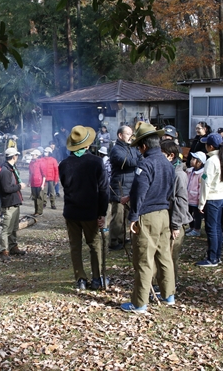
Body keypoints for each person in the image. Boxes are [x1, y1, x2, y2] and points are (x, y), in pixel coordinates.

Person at [120, 123, 175, 313]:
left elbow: (141, 191)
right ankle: (169, 294)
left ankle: (139, 303)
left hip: (147, 216)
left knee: (143, 259)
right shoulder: (168, 163)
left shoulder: (145, 164)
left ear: (144, 146)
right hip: (164, 214)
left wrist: (133, 216)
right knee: (164, 256)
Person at [59, 125, 109, 290]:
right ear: (87, 145)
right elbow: (103, 190)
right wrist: (102, 213)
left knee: (75, 246)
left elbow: (66, 186)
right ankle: (96, 278)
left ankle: (80, 279)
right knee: (94, 245)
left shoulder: (64, 164)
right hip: (90, 212)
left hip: (71, 211)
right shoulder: (96, 162)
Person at [155, 140, 192, 285]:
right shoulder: (166, 170)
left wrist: (176, 225)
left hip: (174, 222)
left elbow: (180, 201)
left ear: (171, 156)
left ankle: (169, 287)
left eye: (162, 154)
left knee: (170, 256)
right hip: (166, 219)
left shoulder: (178, 175)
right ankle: (161, 284)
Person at [196, 133, 223, 267]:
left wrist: (201, 203)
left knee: (211, 229)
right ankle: (217, 255)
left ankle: (212, 258)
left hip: (211, 197)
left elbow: (206, 183)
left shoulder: (211, 161)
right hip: (220, 196)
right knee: (217, 228)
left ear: (210, 146)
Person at [108, 125, 140, 250]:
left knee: (126, 216)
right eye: (128, 134)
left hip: (130, 186)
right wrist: (138, 159)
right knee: (118, 217)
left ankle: (122, 238)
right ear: (120, 135)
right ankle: (113, 242)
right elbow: (125, 162)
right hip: (119, 187)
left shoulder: (132, 148)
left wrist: (137, 158)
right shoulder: (116, 149)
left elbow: (138, 158)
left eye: (131, 134)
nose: (131, 136)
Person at [0, 147, 27, 262]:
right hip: (9, 203)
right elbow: (6, 188)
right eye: (17, 155)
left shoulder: (12, 168)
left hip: (15, 201)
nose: (18, 157)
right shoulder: (5, 171)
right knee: (6, 229)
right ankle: (4, 251)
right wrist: (19, 186)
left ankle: (13, 247)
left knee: (14, 227)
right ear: (14, 156)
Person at [186, 151, 206, 237]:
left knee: (197, 215)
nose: (191, 160)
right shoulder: (189, 171)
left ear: (200, 162)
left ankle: (197, 229)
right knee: (189, 213)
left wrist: (200, 200)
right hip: (188, 197)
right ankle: (191, 226)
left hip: (196, 198)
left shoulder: (202, 174)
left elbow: (202, 187)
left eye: (194, 159)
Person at [28, 149, 46, 216]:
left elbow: (44, 174)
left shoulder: (41, 162)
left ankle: (39, 211)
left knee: (39, 197)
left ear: (37, 155)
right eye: (32, 155)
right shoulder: (31, 163)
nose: (32, 156)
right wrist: (29, 181)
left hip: (39, 183)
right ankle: (36, 211)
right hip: (33, 183)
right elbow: (30, 173)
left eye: (33, 155)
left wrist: (43, 184)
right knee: (35, 197)